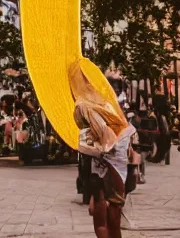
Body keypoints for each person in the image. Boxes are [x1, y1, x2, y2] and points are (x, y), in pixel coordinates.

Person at [71, 63, 133, 238]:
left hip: (103, 161)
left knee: (101, 220)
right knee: (113, 216)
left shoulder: (87, 105)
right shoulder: (118, 111)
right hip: (115, 163)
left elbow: (102, 135)